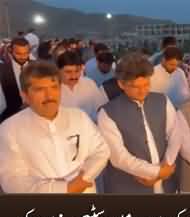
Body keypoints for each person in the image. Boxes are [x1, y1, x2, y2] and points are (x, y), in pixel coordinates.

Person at [0, 60, 110, 193]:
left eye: (54, 87)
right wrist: (63, 188)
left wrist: (83, 179)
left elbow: (101, 150)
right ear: (25, 96)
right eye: (40, 89)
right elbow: (12, 179)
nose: (49, 95)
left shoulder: (79, 117)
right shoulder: (9, 129)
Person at [97, 52, 180, 194]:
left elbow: (175, 135)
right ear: (121, 84)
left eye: (146, 84)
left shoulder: (162, 100)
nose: (143, 91)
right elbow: (119, 157)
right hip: (128, 187)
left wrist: (168, 164)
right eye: (136, 86)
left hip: (166, 183)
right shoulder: (107, 113)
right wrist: (156, 172)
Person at [57, 51, 107, 121]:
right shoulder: (53, 88)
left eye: (77, 71)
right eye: (68, 72)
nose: (73, 76)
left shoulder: (89, 84)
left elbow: (101, 109)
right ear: (58, 71)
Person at [0, 37, 33, 122]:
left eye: (26, 53)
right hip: (11, 116)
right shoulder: (3, 69)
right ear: (11, 50)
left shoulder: (37, 66)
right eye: (18, 53)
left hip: (35, 113)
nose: (23, 57)